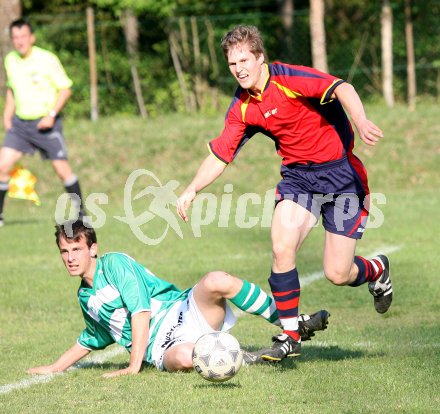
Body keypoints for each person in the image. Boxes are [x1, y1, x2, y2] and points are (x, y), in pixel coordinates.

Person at [176, 25, 392, 362]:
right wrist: (191, 188)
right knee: (281, 247)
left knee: (338, 272)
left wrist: (361, 120)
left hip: (341, 176)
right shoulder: (242, 106)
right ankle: (290, 336)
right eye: (233, 64)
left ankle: (377, 269)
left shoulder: (288, 79)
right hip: (299, 179)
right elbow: (221, 154)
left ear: (260, 57)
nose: (240, 69)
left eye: (245, 60)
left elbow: (342, 86)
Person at [27, 220, 330, 377]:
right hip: (163, 346)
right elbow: (93, 338)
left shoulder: (115, 264)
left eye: (76, 249)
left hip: (182, 310)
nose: (70, 257)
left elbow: (140, 312)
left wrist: (133, 367)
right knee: (186, 358)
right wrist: (55, 367)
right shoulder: (85, 296)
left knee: (216, 280)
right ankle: (247, 358)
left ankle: (292, 323)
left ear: (92, 248)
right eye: (64, 251)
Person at [0, 19, 85, 227]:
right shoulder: (10, 59)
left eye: (23, 37)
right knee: (2, 166)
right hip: (20, 125)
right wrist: (7, 115)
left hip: (46, 125)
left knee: (62, 169)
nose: (19, 41)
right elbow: (11, 89)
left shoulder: (46, 59)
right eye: (15, 37)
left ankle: (82, 213)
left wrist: (52, 114)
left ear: (32, 37)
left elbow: (66, 88)